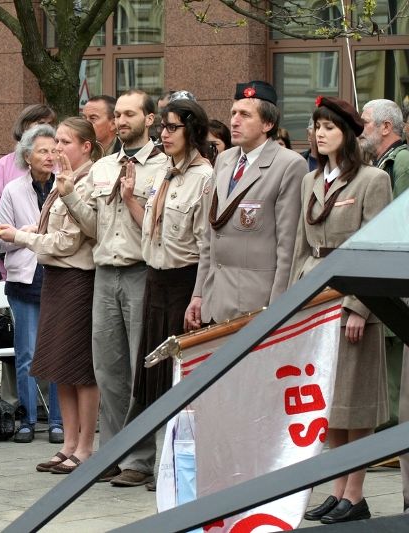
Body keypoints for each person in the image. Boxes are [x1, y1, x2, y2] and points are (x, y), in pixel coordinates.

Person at [59, 89, 167, 487]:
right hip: (105, 273)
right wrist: (69, 194)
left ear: (149, 119)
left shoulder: (162, 167)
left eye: (129, 114)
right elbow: (93, 227)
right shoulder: (104, 167)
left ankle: (141, 459)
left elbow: (160, 230)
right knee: (108, 370)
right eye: (117, 115)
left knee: (143, 368)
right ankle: (115, 452)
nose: (121, 122)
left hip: (142, 273)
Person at [293, 96, 392, 525]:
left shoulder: (372, 180)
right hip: (314, 295)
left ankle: (356, 493)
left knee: (356, 401)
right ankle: (336, 489)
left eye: (329, 127)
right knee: (329, 401)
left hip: (352, 295)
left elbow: (377, 247)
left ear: (348, 134)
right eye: (316, 126)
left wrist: (360, 307)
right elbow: (301, 244)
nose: (319, 133)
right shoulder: (311, 179)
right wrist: (292, 303)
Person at [0, 117, 102, 474]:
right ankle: (69, 443)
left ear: (86, 146)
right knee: (60, 367)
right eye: (55, 142)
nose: (57, 149)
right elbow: (49, 227)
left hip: (77, 279)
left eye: (65, 142)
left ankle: (85, 447)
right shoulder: (63, 180)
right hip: (55, 276)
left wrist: (19, 238)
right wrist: (25, 230)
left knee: (80, 369)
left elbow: (69, 241)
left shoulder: (88, 181)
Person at [184, 80, 306, 331]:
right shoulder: (225, 159)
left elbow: (288, 247)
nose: (235, 121)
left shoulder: (288, 165)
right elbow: (211, 235)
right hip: (216, 298)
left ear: (268, 124)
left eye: (245, 115)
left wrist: (279, 307)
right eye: (233, 113)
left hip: (256, 304)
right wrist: (199, 293)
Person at [133, 99, 213, 422]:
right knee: (154, 380)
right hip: (156, 279)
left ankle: (181, 464)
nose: (163, 134)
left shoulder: (204, 177)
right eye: (161, 127)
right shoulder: (164, 172)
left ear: (192, 130)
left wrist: (198, 295)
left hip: (184, 282)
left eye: (172, 127)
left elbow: (206, 245)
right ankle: (157, 464)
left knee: (179, 380)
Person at [0, 124, 63, 444]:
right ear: (27, 156)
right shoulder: (12, 190)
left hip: (58, 278)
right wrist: (25, 232)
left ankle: (58, 421)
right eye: (43, 151)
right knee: (26, 353)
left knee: (57, 351)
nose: (50, 156)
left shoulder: (65, 186)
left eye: (53, 150)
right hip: (24, 280)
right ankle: (27, 418)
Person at [359, 98, 409, 435]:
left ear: (386, 127)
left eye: (365, 123)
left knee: (394, 364)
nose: (360, 130)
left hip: (395, 276)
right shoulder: (382, 161)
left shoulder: (401, 162)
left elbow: (400, 221)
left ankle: (391, 435)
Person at [0, 104, 56, 211]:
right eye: (41, 123)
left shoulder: (57, 160)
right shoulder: (4, 164)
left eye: (50, 124)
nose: (46, 128)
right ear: (25, 125)